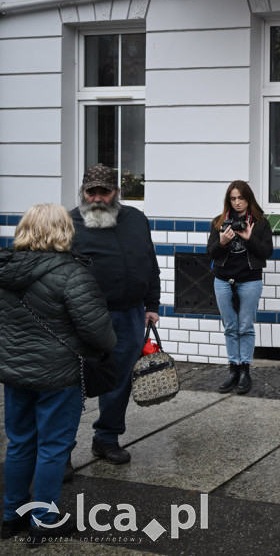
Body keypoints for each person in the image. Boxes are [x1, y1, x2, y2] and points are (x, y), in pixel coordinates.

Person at [0, 204, 117, 545]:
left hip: (15, 374)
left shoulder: (5, 270)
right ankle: (44, 519)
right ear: (64, 231)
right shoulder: (71, 273)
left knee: (19, 444)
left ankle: (11, 516)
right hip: (59, 376)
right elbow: (100, 334)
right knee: (52, 448)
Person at [70, 164, 160, 467]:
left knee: (119, 380)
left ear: (117, 192)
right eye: (91, 192)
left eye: (104, 192)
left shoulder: (136, 219)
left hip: (129, 314)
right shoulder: (68, 223)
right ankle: (61, 450)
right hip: (83, 317)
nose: (97, 198)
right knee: (74, 382)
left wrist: (152, 304)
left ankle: (106, 439)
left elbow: (150, 263)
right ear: (83, 192)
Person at [207, 180, 274, 395]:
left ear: (248, 199)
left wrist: (249, 238)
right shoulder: (219, 222)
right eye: (233, 198)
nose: (237, 203)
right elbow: (210, 252)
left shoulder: (260, 223)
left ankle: (245, 370)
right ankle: (233, 369)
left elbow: (266, 252)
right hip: (223, 281)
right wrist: (222, 242)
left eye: (241, 198)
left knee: (245, 326)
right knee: (230, 326)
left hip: (250, 280)